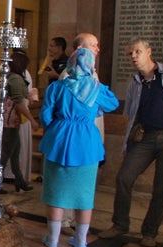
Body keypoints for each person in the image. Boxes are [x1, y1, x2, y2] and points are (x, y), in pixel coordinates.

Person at [39, 48, 119, 247]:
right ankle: (81, 241)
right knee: (84, 194)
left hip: (59, 139)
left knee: (55, 192)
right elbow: (113, 103)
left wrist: (57, 125)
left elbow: (46, 117)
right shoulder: (96, 89)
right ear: (91, 65)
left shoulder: (57, 87)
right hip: (87, 144)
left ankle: (53, 239)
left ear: (70, 65)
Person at [98, 38, 163, 247]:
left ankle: (150, 233)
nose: (133, 57)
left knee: (161, 188)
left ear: (149, 52)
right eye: (130, 54)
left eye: (137, 52)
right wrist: (128, 143)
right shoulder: (135, 82)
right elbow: (130, 114)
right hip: (145, 137)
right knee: (124, 177)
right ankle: (120, 224)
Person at [59, 33, 103, 236]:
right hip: (74, 138)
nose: (97, 49)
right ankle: (65, 221)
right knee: (69, 179)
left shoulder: (90, 72)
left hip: (88, 139)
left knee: (82, 183)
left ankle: (76, 221)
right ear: (79, 50)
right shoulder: (70, 75)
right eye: (93, 45)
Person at [0, 51, 39, 193]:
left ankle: (19, 180)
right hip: (11, 120)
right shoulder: (15, 78)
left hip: (12, 120)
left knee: (15, 152)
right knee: (6, 153)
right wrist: (32, 120)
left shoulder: (14, 77)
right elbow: (19, 102)